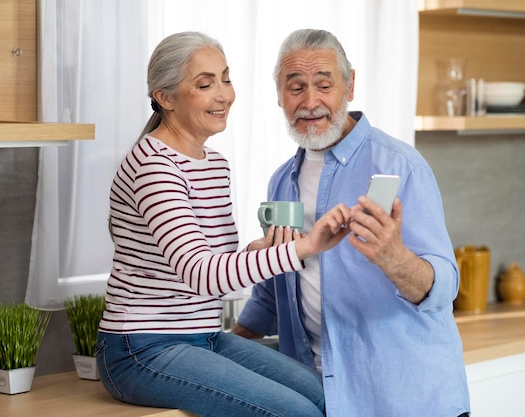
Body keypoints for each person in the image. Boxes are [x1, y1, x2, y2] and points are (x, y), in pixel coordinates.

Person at [97, 31, 352, 417]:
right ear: (164, 98)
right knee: (295, 413)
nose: (224, 95)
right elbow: (201, 273)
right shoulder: (154, 167)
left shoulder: (214, 165)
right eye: (205, 84)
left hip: (205, 337)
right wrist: (303, 248)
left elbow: (207, 259)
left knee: (325, 397)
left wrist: (258, 252)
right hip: (141, 348)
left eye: (226, 78)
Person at [233, 29, 471, 417]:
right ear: (279, 95)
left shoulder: (400, 166)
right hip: (322, 398)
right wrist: (217, 347)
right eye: (296, 87)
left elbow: (444, 288)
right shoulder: (280, 182)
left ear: (350, 86)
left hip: (406, 400)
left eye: (324, 85)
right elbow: (273, 296)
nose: (310, 102)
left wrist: (394, 258)